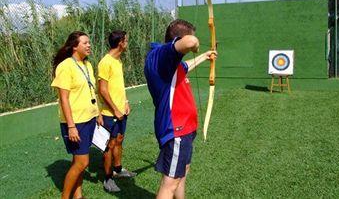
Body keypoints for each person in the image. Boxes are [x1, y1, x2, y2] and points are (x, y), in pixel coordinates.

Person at [144, 19, 217, 198]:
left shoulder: (171, 64)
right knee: (170, 183)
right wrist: (196, 45)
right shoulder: (161, 55)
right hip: (175, 128)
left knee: (181, 174)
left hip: (184, 129)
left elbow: (186, 66)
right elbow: (191, 42)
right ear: (179, 38)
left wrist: (205, 56)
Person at [51, 31, 99, 199]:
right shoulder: (65, 66)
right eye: (85, 43)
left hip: (89, 118)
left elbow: (92, 91)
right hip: (75, 122)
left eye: (89, 42)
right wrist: (71, 126)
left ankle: (78, 195)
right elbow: (63, 99)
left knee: (78, 160)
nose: (89, 45)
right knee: (82, 162)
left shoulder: (88, 65)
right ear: (74, 46)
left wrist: (97, 113)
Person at [97, 30, 136, 193]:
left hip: (121, 112)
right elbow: (102, 90)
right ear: (120, 42)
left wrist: (125, 102)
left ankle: (118, 170)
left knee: (119, 140)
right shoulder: (105, 62)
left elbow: (119, 86)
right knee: (109, 145)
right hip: (110, 114)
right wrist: (115, 110)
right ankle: (107, 179)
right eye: (126, 40)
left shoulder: (118, 61)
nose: (127, 43)